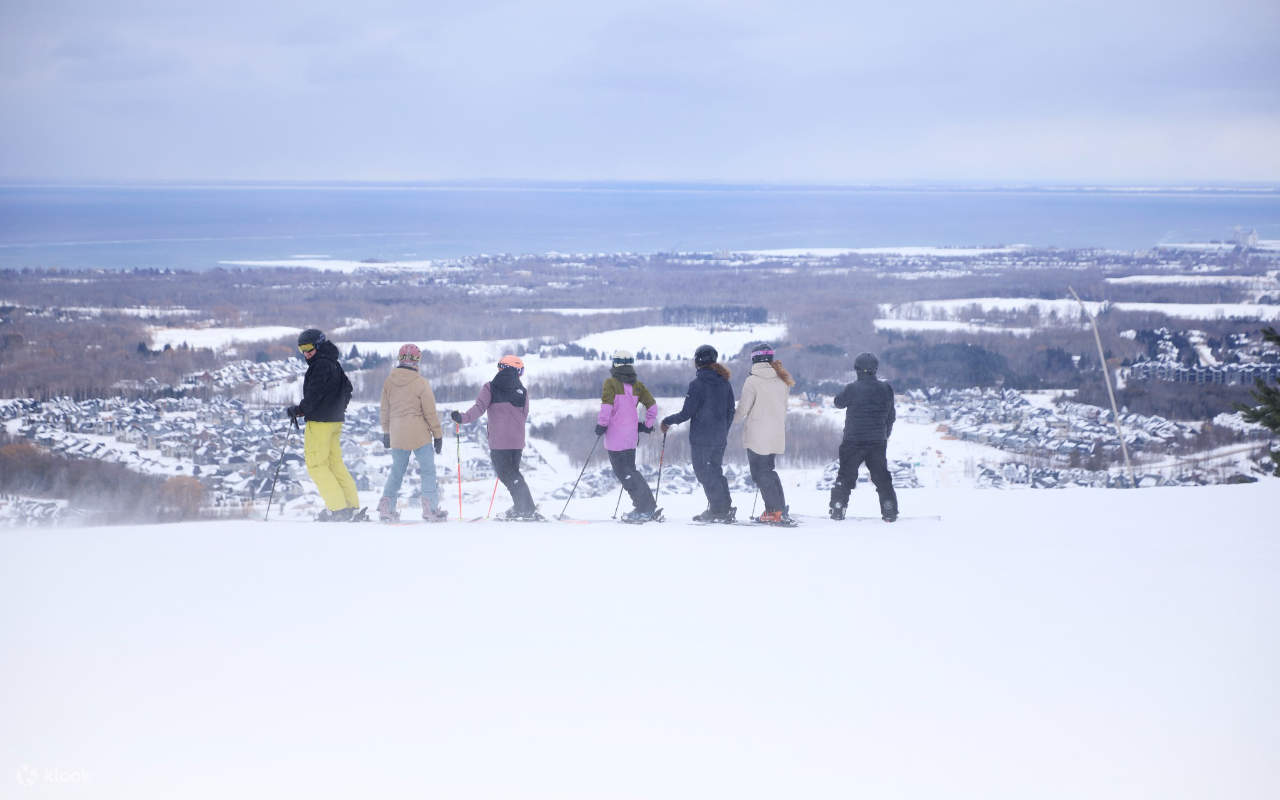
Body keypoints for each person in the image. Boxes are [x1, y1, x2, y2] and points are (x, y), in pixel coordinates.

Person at [451, 355, 539, 520]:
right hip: (517, 442)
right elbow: (524, 415)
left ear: (501, 368)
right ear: (516, 370)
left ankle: (526, 509)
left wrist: (462, 418)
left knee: (508, 475)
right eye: (521, 371)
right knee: (513, 475)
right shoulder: (523, 391)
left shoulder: (490, 387)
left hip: (499, 442)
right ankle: (522, 507)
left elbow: (479, 408)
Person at [286, 328, 361, 521]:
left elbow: (314, 394)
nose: (306, 353)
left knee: (316, 465)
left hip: (320, 422)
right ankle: (351, 506)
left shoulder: (319, 366)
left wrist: (299, 410)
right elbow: (348, 388)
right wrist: (338, 408)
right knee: (334, 464)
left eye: (309, 348)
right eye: (302, 349)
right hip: (335, 421)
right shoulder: (333, 363)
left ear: (318, 346)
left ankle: (337, 509)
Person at [661, 344, 735, 522]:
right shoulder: (725, 383)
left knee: (704, 473)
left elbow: (687, 413)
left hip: (701, 438)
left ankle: (718, 510)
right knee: (715, 471)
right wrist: (723, 430)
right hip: (719, 437)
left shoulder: (697, 384)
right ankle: (724, 508)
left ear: (698, 361)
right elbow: (731, 411)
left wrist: (667, 421)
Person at [377, 344, 447, 523]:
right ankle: (430, 508)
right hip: (419, 435)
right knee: (428, 471)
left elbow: (384, 409)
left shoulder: (389, 382)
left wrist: (386, 432)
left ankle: (386, 506)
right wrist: (437, 435)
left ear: (400, 358)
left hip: (397, 433)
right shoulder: (421, 383)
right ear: (417, 360)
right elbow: (430, 412)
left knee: (397, 471)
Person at [830, 352, 898, 522]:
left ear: (857, 369)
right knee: (882, 478)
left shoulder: (852, 388)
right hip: (877, 441)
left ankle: (838, 508)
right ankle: (889, 510)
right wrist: (885, 435)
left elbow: (838, 402)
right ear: (876, 369)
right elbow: (891, 416)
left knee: (845, 476)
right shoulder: (886, 389)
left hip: (853, 441)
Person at [595, 349, 661, 523]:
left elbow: (606, 407)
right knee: (630, 472)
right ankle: (646, 506)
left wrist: (601, 424)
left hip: (615, 439)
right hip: (631, 438)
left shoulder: (610, 383)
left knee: (625, 474)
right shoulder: (638, 385)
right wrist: (647, 425)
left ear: (615, 363)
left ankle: (644, 508)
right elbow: (652, 407)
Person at [733, 343, 796, 525]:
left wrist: (730, 420)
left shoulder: (752, 381)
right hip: (776, 433)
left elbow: (743, 409)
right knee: (768, 471)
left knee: (760, 474)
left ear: (754, 359)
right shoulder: (782, 380)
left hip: (757, 434)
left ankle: (774, 512)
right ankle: (779, 509)